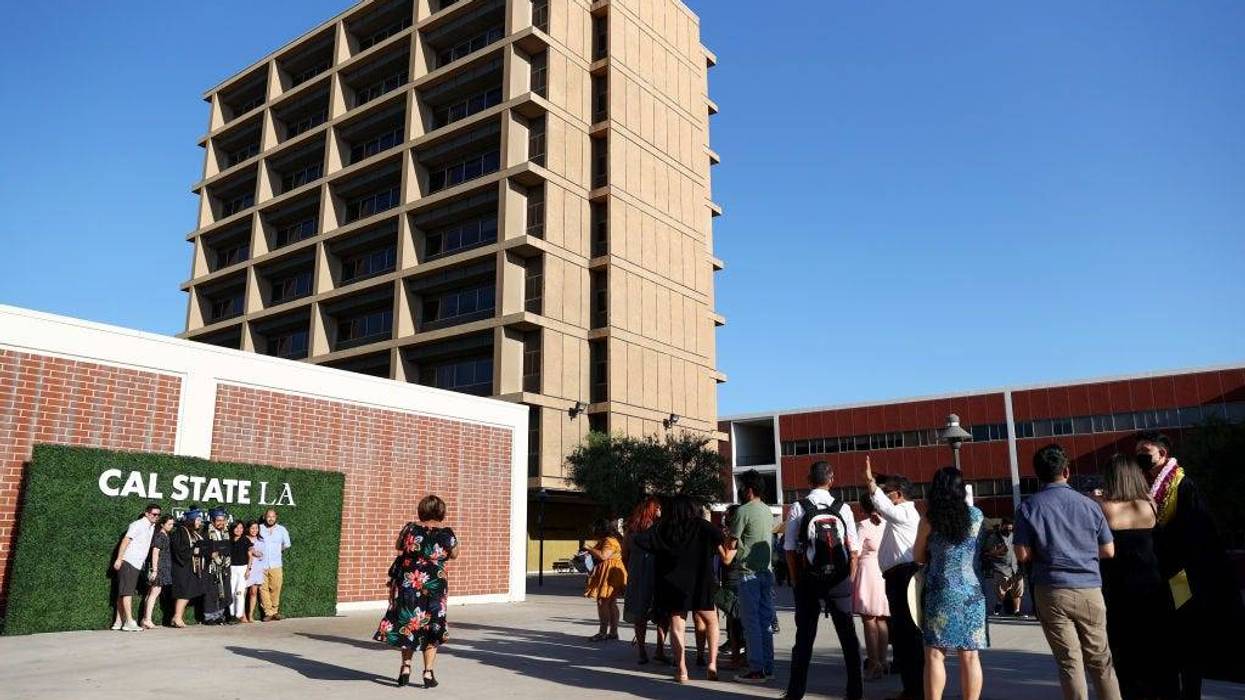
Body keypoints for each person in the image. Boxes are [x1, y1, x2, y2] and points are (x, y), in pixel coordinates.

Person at [1135, 430, 1245, 695]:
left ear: (1162, 454)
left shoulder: (1182, 486)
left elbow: (1194, 533)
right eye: (1137, 452)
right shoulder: (1146, 485)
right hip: (1158, 574)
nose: (1140, 457)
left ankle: (1191, 689)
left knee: (1185, 631)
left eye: (1145, 453)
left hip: (1182, 575)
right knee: (1167, 635)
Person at [1014, 443, 1121, 700]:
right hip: (1089, 588)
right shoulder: (1090, 505)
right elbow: (1109, 551)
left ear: (1037, 474)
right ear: (1067, 471)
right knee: (1101, 659)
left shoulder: (1029, 507)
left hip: (1050, 589)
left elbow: (1022, 554)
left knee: (1069, 662)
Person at [1097, 453, 1179, 700]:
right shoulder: (1150, 505)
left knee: (1125, 654)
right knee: (1158, 651)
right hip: (1153, 585)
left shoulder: (1104, 508)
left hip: (1118, 588)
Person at [784, 460, 862, 700]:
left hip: (809, 580)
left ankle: (795, 693)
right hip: (839, 580)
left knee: (804, 639)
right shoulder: (843, 508)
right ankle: (855, 692)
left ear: (809, 480)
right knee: (848, 638)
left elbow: (789, 549)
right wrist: (848, 578)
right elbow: (854, 549)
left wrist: (797, 580)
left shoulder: (798, 507)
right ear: (832, 479)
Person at [635, 494, 731, 684]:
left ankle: (682, 669)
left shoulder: (664, 526)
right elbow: (721, 538)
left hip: (672, 582)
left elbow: (641, 540)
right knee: (711, 621)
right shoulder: (703, 525)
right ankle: (712, 663)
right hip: (701, 581)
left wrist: (662, 550)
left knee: (677, 626)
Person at [914, 466, 986, 700]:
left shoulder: (930, 519)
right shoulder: (976, 516)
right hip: (971, 591)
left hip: (940, 590)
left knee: (935, 654)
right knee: (970, 655)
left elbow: (918, 556)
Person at [374, 494, 458, 688]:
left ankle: (405, 667)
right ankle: (428, 673)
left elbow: (398, 546)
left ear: (421, 510)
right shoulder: (447, 534)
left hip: (409, 582)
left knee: (409, 622)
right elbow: (454, 554)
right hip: (435, 584)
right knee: (432, 626)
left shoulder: (410, 528)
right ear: (441, 512)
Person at [864, 457, 923, 700]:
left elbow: (883, 506)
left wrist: (870, 482)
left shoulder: (905, 512)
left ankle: (915, 690)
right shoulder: (899, 514)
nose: (883, 495)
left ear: (897, 495)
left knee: (908, 635)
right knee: (902, 634)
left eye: (887, 491)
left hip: (904, 576)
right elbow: (883, 510)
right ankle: (911, 687)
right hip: (898, 576)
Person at [729, 469, 775, 684]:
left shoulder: (743, 511)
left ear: (747, 490)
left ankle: (756, 669)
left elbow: (731, 542)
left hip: (748, 575)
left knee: (752, 624)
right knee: (765, 622)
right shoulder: (767, 510)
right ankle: (768, 666)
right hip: (767, 572)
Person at [623, 497, 668, 664]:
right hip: (657, 573)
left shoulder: (631, 530)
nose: (660, 511)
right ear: (652, 509)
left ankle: (642, 651)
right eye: (659, 508)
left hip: (637, 574)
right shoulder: (659, 529)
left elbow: (624, 554)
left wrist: (631, 569)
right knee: (662, 614)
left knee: (639, 613)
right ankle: (660, 650)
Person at [853, 493, 890, 681]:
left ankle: (873, 663)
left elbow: (855, 551)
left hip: (867, 572)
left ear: (862, 508)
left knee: (869, 620)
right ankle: (883, 660)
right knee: (882, 619)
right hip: (883, 571)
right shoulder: (887, 524)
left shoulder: (863, 525)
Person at [112, 503, 160, 631]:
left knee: (123, 591)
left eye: (158, 515)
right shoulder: (137, 524)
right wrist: (119, 559)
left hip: (137, 563)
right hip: (128, 561)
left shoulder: (152, 526)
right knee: (127, 592)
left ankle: (118, 621)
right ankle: (129, 622)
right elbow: (126, 541)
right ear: (147, 513)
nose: (156, 517)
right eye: (154, 514)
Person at [583, 518, 627, 641]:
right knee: (611, 603)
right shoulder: (609, 540)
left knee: (603, 602)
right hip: (611, 573)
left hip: (610, 574)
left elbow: (603, 555)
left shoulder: (609, 540)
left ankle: (603, 633)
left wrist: (588, 548)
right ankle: (613, 632)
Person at [170, 508, 205, 628]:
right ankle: (177, 617)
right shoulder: (180, 532)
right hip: (182, 568)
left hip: (190, 568)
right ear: (191, 520)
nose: (200, 522)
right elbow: (179, 551)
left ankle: (176, 617)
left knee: (187, 593)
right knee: (183, 593)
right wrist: (195, 550)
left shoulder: (193, 533)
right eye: (198, 520)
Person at [982, 519, 1024, 617]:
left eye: (1010, 528)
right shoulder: (994, 537)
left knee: (1018, 591)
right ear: (1002, 526)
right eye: (1006, 528)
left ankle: (1017, 611)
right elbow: (988, 552)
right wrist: (999, 551)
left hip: (1016, 567)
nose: (1009, 531)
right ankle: (999, 603)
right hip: (1001, 568)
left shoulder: (1015, 536)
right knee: (1001, 591)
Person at [140, 514, 175, 629]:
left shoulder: (165, 535)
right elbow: (155, 552)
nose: (171, 526)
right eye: (169, 524)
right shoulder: (160, 536)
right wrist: (154, 570)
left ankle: (145, 619)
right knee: (154, 594)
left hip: (162, 568)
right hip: (159, 569)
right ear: (162, 524)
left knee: (151, 593)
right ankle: (147, 619)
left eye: (172, 524)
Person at [259, 508, 292, 621]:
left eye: (273, 516)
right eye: (268, 516)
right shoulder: (260, 528)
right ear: (265, 517)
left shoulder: (282, 530)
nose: (271, 518)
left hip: (276, 564)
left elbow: (287, 544)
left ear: (276, 517)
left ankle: (275, 611)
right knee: (263, 589)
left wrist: (278, 550)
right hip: (261, 564)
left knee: (276, 587)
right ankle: (268, 612)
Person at [202, 508, 233, 625]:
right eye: (218, 520)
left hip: (224, 565)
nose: (221, 523)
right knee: (211, 591)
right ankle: (209, 616)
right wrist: (210, 554)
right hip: (211, 566)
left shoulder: (226, 533)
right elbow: (202, 548)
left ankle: (220, 614)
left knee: (223, 590)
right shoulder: (206, 533)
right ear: (213, 521)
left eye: (222, 520)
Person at [229, 520, 253, 623]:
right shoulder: (229, 540)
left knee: (239, 592)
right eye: (237, 528)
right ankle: (231, 614)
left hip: (242, 568)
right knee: (231, 592)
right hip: (231, 568)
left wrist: (248, 570)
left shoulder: (245, 540)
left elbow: (250, 556)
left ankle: (239, 615)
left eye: (241, 528)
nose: (239, 530)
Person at [244, 520, 266, 622]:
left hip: (257, 569)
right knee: (243, 593)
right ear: (248, 529)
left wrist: (259, 554)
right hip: (246, 569)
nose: (254, 530)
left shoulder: (261, 540)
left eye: (256, 528)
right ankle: (242, 615)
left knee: (253, 592)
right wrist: (252, 552)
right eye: (252, 528)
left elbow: (263, 554)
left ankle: (250, 616)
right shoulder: (244, 539)